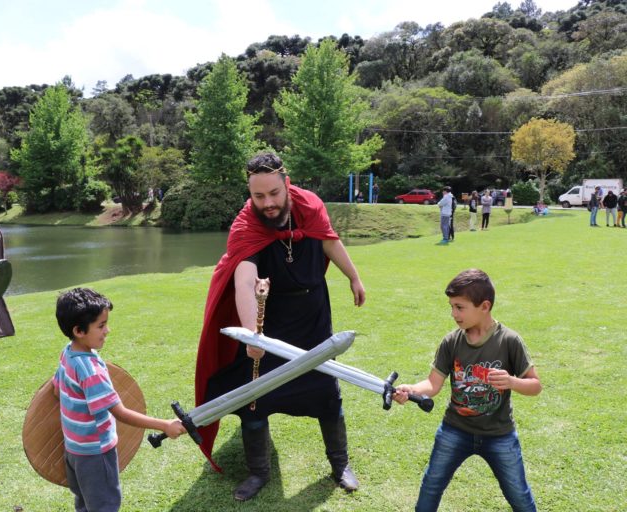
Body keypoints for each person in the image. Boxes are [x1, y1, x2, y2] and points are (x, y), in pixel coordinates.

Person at [195, 152, 366, 501]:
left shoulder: (310, 205)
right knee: (257, 395)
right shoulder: (246, 225)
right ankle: (258, 471)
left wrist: (354, 277)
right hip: (269, 320)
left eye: (273, 193)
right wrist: (251, 335)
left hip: (313, 314)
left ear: (286, 184)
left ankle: (340, 465)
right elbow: (243, 281)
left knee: (325, 393)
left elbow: (329, 239)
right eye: (258, 196)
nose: (267, 203)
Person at [393, 269, 542, 512]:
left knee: (519, 495)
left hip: (499, 435)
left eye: (460, 307)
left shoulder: (509, 341)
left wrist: (512, 382)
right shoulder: (451, 341)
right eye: (451, 306)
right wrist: (410, 390)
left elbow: (535, 386)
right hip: (455, 430)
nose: (453, 314)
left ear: (484, 306)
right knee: (431, 486)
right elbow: (433, 384)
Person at [52, 287, 185, 511]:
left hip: (73, 452)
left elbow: (57, 390)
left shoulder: (68, 353)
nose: (108, 331)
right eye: (101, 326)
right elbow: (120, 412)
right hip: (95, 453)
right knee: (104, 506)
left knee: (84, 504)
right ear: (79, 330)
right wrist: (165, 425)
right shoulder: (90, 370)